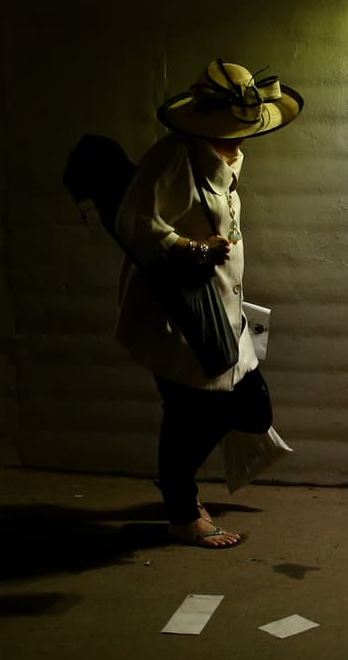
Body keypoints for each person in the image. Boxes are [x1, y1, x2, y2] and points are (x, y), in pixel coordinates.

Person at [115, 59, 303, 549]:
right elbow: (134, 223)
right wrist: (191, 248)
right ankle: (182, 511)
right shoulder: (173, 158)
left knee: (250, 407)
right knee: (191, 415)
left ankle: (177, 486)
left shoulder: (226, 157)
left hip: (222, 306)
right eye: (229, 128)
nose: (239, 139)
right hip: (179, 312)